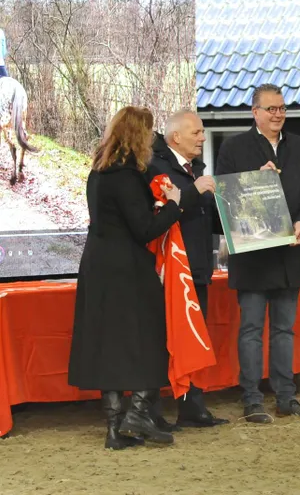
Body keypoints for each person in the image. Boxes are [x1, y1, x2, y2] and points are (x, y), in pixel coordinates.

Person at [68, 106, 183, 449]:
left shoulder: (98, 172)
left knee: (108, 344)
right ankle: (138, 413)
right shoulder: (127, 177)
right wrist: (173, 205)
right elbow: (144, 229)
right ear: (138, 135)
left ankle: (114, 429)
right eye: (148, 133)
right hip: (127, 269)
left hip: (97, 266)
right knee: (147, 336)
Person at [214, 83, 300, 422]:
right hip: (253, 256)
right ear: (255, 112)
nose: (278, 115)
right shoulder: (233, 148)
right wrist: (253, 181)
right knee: (250, 330)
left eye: (282, 108)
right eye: (271, 109)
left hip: (291, 254)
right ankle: (251, 399)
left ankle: (285, 397)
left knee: (284, 330)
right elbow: (225, 198)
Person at [146, 109, 228, 428]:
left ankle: (192, 406)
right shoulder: (156, 168)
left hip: (199, 270)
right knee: (161, 340)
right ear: (175, 137)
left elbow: (209, 218)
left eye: (203, 132)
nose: (203, 138)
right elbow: (167, 212)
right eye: (196, 133)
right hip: (171, 274)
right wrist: (196, 191)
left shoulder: (197, 170)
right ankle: (150, 411)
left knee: (194, 338)